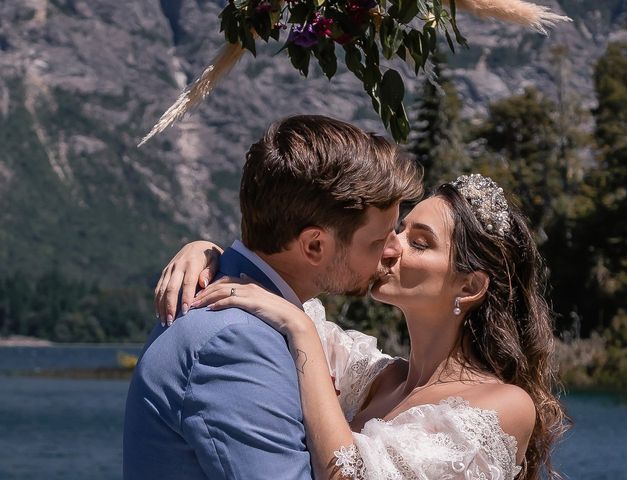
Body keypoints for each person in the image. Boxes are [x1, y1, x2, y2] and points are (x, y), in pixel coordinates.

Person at [158, 174, 568, 479]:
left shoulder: (505, 405)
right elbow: (269, 292)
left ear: (470, 285)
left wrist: (300, 329)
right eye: (399, 230)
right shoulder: (376, 377)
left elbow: (346, 475)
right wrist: (211, 253)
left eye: (419, 243)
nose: (392, 247)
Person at [122, 114, 424, 479]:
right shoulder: (237, 342)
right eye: (378, 239)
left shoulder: (268, 315)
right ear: (314, 245)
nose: (393, 250)